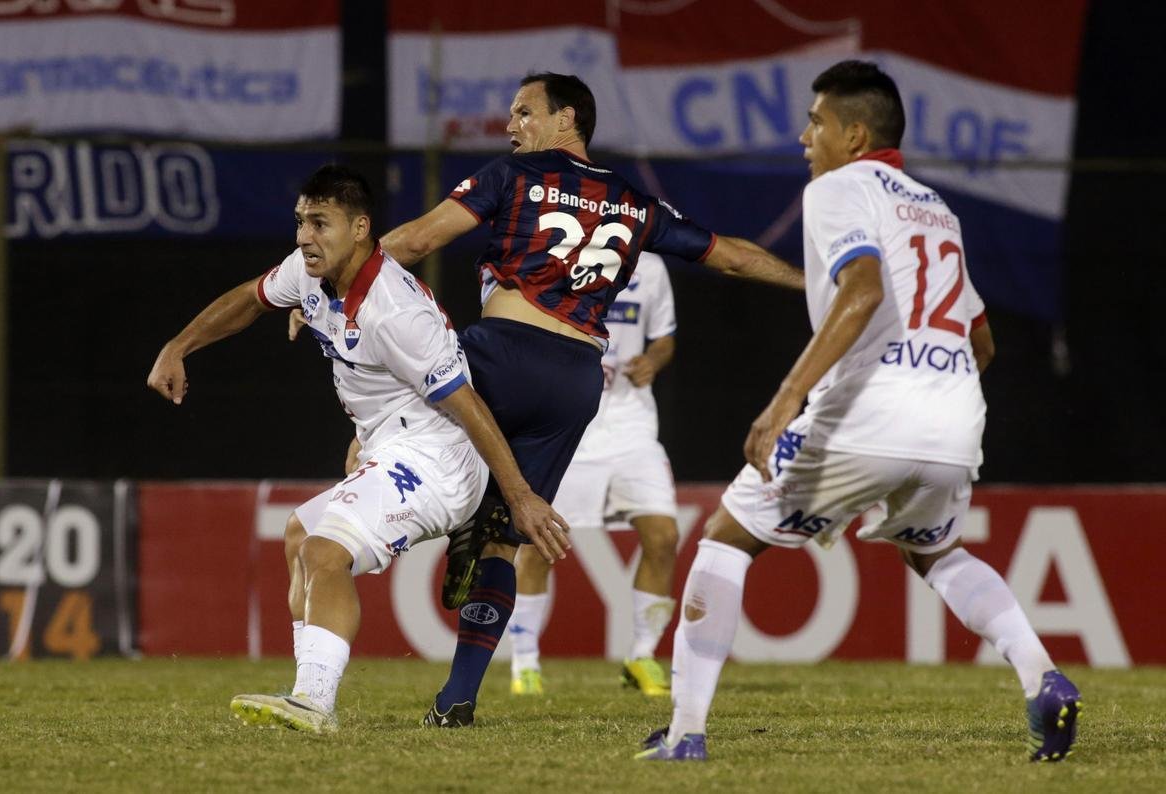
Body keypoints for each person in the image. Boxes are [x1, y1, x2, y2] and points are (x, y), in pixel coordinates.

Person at [636, 61, 1081, 763]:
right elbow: (982, 339)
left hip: (870, 413)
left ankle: (686, 733)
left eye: (815, 121)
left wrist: (786, 403)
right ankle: (1041, 676)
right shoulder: (938, 208)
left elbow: (863, 289)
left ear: (854, 133)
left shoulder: (839, 187)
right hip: (956, 419)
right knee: (933, 550)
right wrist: (929, 410)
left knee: (725, 537)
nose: (803, 136)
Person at [379, 72, 804, 727]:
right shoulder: (634, 203)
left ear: (566, 118)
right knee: (506, 541)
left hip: (500, 355)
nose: (510, 125)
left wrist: (328, 282)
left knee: (386, 422)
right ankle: (456, 698)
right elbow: (736, 259)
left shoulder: (511, 176)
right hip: (577, 379)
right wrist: (813, 286)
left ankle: (390, 510)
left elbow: (415, 242)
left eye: (524, 111)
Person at [146, 164, 567, 734]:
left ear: (361, 228)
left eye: (320, 223)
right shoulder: (308, 273)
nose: (304, 237)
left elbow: (468, 406)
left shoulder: (396, 312)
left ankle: (315, 704)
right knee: (299, 537)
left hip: (437, 456)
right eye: (300, 221)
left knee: (326, 550)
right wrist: (178, 346)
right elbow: (249, 299)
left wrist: (518, 497)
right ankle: (305, 692)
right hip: (392, 445)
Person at [509, 251, 681, 697]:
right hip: (569, 424)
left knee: (662, 536)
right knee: (538, 544)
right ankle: (524, 664)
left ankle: (642, 656)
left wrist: (653, 360)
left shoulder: (652, 267)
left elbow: (664, 338)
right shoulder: (555, 255)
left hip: (631, 426)